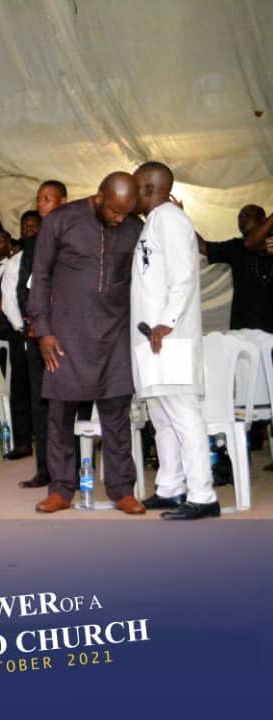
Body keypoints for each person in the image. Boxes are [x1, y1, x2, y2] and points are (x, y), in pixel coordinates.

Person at [28, 172, 146, 515]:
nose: (119, 219)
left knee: (116, 415)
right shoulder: (60, 221)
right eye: (114, 211)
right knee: (60, 415)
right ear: (99, 196)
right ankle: (61, 490)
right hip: (65, 334)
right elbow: (41, 276)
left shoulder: (134, 227)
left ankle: (122, 490)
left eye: (126, 213)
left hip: (115, 332)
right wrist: (43, 330)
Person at [130, 161, 218, 520]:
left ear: (149, 189)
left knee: (183, 414)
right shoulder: (153, 221)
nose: (130, 194)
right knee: (161, 417)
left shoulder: (171, 218)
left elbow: (183, 276)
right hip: (152, 339)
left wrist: (166, 323)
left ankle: (203, 496)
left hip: (169, 337)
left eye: (135, 187)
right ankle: (170, 488)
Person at [16, 182, 67, 488]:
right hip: (39, 333)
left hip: (68, 334)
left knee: (71, 401)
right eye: (39, 199)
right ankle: (44, 469)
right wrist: (35, 320)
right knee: (40, 401)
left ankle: (72, 468)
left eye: (48, 199)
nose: (42, 204)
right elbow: (24, 287)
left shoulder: (74, 237)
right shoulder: (33, 243)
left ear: (63, 202)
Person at [0, 228, 31, 459]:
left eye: (0, 240)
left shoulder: (19, 263)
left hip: (17, 333)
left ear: (9, 244)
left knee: (22, 385)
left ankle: (31, 434)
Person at [199, 205, 273, 333]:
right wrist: (182, 219)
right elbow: (203, 247)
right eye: (240, 216)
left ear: (263, 220)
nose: (242, 218)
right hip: (242, 330)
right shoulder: (235, 247)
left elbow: (253, 244)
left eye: (248, 215)